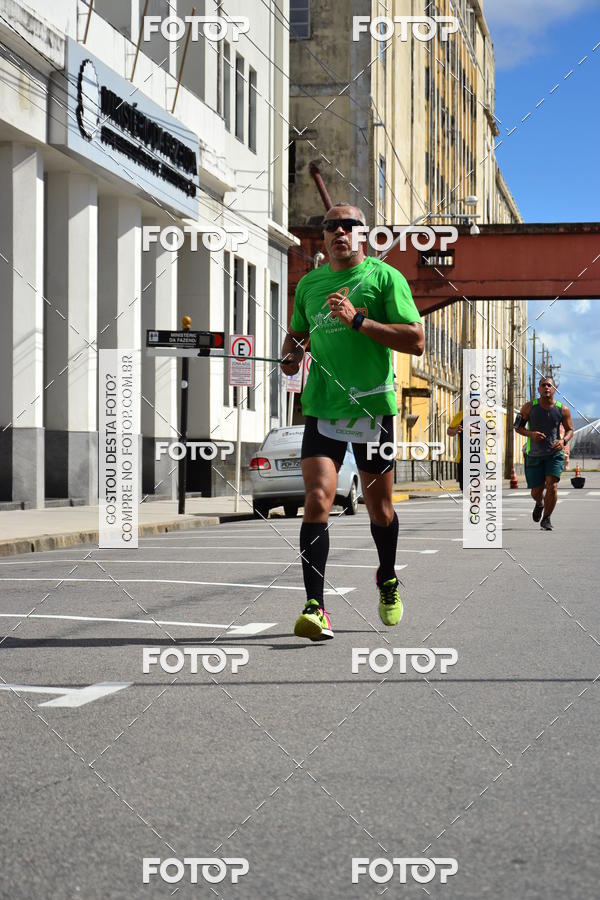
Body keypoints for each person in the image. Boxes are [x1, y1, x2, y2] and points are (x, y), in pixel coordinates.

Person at [280, 203, 424, 641]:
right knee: (318, 498)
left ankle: (387, 577)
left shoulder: (384, 278)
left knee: (380, 509)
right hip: (323, 407)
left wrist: (358, 320)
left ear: (364, 235)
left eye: (349, 225)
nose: (339, 231)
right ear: (323, 237)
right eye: (331, 226)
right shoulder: (309, 284)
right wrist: (290, 356)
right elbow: (295, 339)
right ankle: (315, 607)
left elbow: (416, 340)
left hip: (371, 408)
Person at [513, 376, 573, 531]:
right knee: (536, 491)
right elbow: (517, 427)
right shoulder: (528, 407)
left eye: (549, 385)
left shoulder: (562, 409)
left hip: (554, 454)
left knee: (552, 485)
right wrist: (531, 434)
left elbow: (570, 430)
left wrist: (563, 441)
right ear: (538, 389)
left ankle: (546, 518)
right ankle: (539, 503)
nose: (546, 387)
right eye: (543, 385)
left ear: (554, 389)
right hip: (534, 454)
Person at [447, 408, 463, 492]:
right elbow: (449, 431)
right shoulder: (460, 415)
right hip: (462, 459)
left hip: (480, 457)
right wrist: (456, 430)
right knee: (464, 487)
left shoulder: (485, 415)